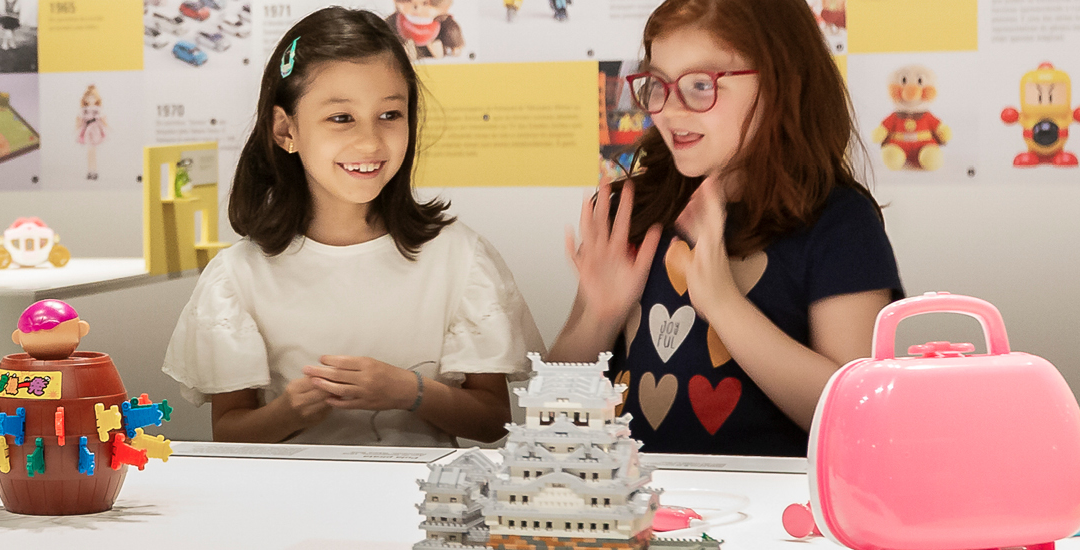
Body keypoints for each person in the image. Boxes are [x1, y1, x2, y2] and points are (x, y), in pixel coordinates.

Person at [162, 7, 540, 447]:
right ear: (286, 130)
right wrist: (289, 411)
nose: (370, 142)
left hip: (422, 509)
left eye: (390, 115)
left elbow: (493, 421)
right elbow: (228, 432)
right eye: (341, 118)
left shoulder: (459, 256)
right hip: (288, 508)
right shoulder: (238, 275)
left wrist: (410, 391)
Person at [548, 0, 901, 456]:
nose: (670, 111)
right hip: (633, 507)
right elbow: (553, 412)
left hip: (778, 517)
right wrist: (599, 319)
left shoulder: (839, 224)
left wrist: (723, 304)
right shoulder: (628, 208)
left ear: (780, 83)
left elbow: (858, 415)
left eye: (700, 84)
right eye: (656, 84)